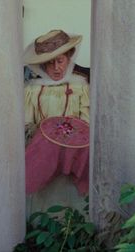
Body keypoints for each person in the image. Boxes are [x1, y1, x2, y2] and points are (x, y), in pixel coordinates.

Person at [24, 30, 89, 211]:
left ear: (68, 59)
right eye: (49, 63)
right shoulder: (32, 90)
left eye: (60, 61)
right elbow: (26, 123)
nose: (56, 68)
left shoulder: (80, 87)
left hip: (74, 152)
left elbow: (87, 123)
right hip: (44, 154)